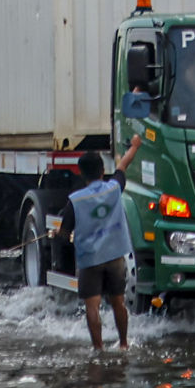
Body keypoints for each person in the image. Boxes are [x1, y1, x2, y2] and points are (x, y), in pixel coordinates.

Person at [64, 149, 132, 352]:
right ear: (103, 171)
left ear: (81, 174)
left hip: (89, 259)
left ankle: (98, 348)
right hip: (115, 256)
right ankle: (123, 344)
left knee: (92, 306)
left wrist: (59, 234)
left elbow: (64, 232)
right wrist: (135, 146)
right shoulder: (113, 189)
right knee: (118, 302)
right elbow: (122, 166)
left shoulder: (74, 200)